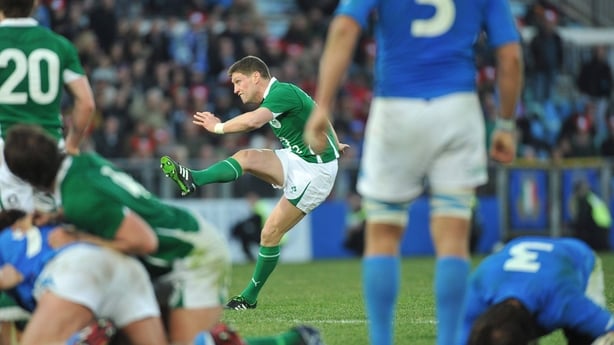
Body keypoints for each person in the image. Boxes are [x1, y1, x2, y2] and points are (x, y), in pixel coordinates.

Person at [303, 1, 523, 345]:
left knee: (382, 233)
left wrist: (324, 104)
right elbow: (510, 56)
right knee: (453, 236)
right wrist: (506, 124)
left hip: (396, 106)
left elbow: (345, 28)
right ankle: (449, 340)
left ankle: (381, 340)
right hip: (458, 108)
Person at [3, 124, 326, 345]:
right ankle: (293, 340)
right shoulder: (82, 165)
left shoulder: (79, 198)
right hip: (177, 249)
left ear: (27, 177)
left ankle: (289, 341)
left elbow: (144, 240)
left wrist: (81, 239)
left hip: (192, 257)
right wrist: (61, 214)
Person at [159, 55, 347, 311]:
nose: (235, 89)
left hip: (315, 173)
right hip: (297, 159)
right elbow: (320, 115)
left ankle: (248, 298)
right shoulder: (283, 94)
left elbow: (253, 121)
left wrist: (217, 127)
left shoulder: (281, 93)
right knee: (246, 156)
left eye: (238, 81)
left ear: (256, 77)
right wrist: (336, 144)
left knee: (269, 234)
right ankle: (193, 178)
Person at [0, 0, 95, 336]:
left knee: (8, 239)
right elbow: (85, 102)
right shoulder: (57, 44)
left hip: (4, 148)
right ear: (35, 6)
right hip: (48, 150)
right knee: (48, 235)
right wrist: (70, 145)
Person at [0, 216, 166, 345]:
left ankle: (78, 338)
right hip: (124, 263)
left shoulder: (5, 243)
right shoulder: (41, 219)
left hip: (75, 270)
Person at [461, 236, 614, 345]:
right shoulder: (476, 296)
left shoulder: (563, 302)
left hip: (576, 256)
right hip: (525, 263)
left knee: (586, 337)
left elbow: (609, 327)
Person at [568, 180, 612, 252]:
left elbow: (583, 219)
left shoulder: (586, 200)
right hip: (604, 223)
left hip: (598, 225)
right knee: (602, 248)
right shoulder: (592, 197)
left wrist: (573, 225)